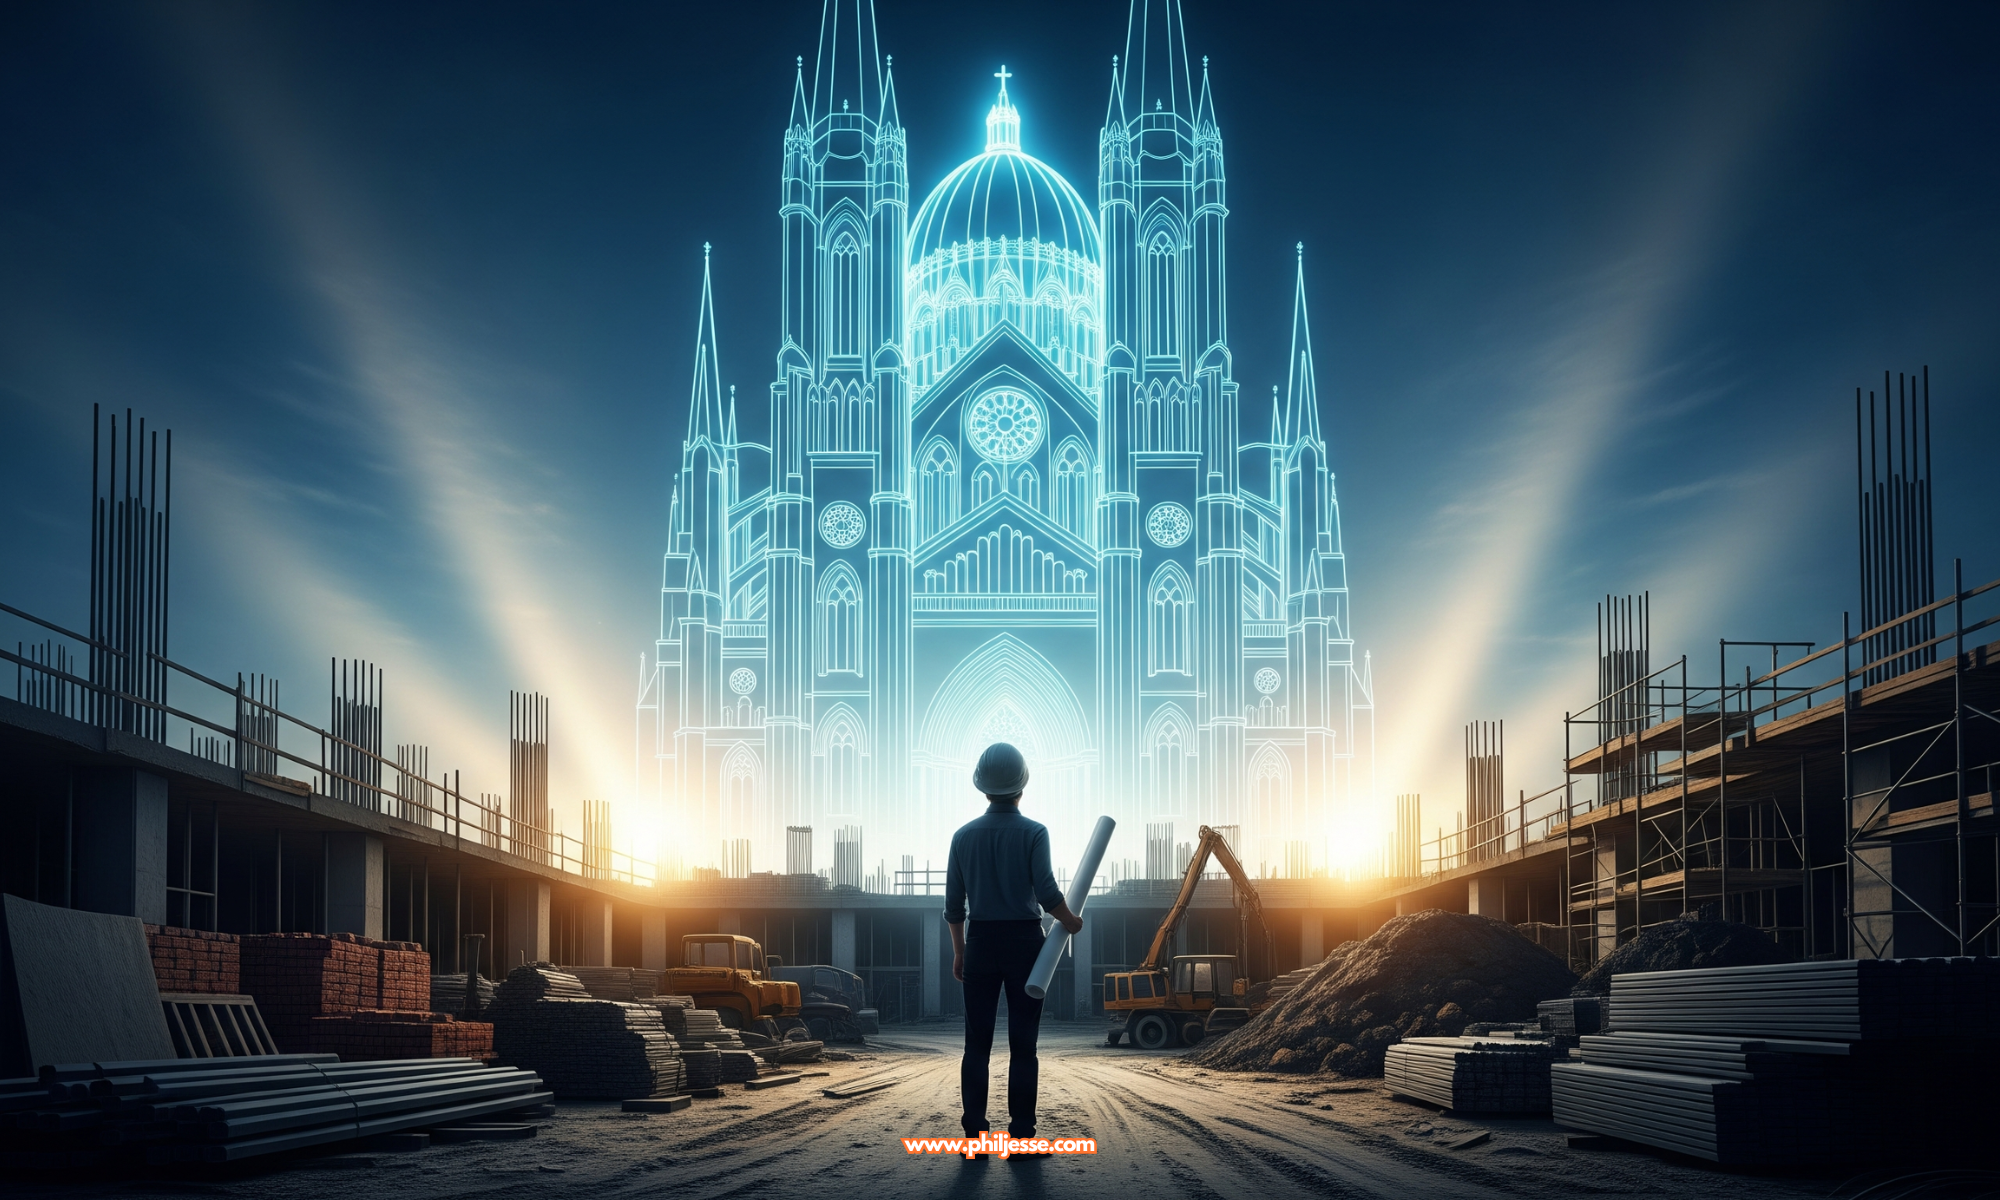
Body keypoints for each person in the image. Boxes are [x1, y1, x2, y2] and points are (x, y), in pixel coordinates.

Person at [944, 742, 1084, 1146]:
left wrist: (960, 951)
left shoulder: (962, 837)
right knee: (1024, 1046)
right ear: (1022, 785)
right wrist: (1070, 920)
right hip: (1026, 944)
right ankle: (1022, 1139)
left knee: (977, 1047)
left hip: (981, 943)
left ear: (982, 787)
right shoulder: (1034, 832)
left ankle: (974, 1141)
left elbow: (954, 907)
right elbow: (1046, 892)